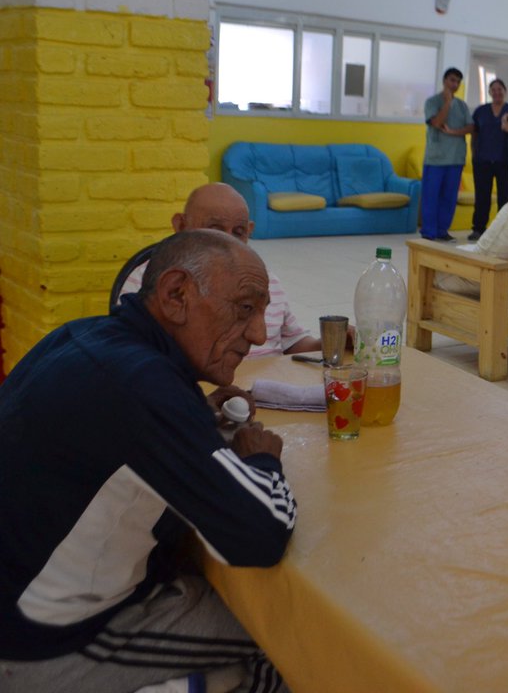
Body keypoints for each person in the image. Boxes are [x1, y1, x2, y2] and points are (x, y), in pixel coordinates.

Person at [0, 230, 296, 693]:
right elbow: (259, 532)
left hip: (20, 594)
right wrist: (263, 462)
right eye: (244, 309)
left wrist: (194, 415)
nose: (258, 334)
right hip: (42, 642)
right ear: (177, 294)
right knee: (286, 632)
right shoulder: (141, 387)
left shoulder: (82, 337)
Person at [121, 182, 322, 357]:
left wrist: (332, 343)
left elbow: (293, 341)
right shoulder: (147, 283)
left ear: (249, 232)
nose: (228, 243)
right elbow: (132, 358)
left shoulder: (265, 282)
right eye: (214, 230)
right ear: (181, 226)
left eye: (238, 232)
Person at [422, 67, 472, 241]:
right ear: (444, 81)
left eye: (458, 82)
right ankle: (429, 232)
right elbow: (436, 122)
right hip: (435, 159)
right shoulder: (432, 102)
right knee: (431, 196)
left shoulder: (463, 105)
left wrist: (453, 132)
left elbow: (471, 127)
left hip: (455, 159)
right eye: (452, 80)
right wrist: (448, 103)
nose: (455, 84)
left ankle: (442, 230)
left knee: (449, 198)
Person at [469, 78, 508, 241]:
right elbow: (474, 133)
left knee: (505, 197)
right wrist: (474, 153)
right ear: (489, 92)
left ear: (505, 91)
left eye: (500, 89)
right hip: (482, 161)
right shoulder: (481, 111)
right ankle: (478, 229)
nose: (497, 92)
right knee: (482, 196)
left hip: (504, 161)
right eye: (493, 89)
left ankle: (502, 231)